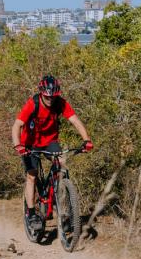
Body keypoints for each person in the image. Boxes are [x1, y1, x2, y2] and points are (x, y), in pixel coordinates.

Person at [11, 75, 93, 230]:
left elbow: (75, 120)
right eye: (47, 97)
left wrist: (87, 140)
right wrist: (18, 146)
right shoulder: (32, 103)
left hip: (50, 142)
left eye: (53, 97)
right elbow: (17, 125)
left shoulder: (60, 103)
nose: (50, 100)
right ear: (42, 93)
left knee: (62, 163)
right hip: (30, 144)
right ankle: (31, 213)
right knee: (32, 175)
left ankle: (61, 203)